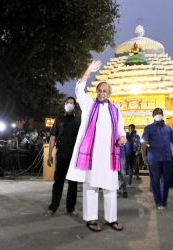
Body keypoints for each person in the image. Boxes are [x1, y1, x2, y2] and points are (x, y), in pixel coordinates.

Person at [66, 60, 126, 232]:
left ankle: (111, 218)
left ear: (109, 93)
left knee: (110, 188)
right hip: (92, 155)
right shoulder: (89, 105)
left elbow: (121, 129)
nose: (101, 93)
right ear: (96, 92)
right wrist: (88, 71)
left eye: (105, 91)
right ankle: (91, 219)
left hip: (109, 155)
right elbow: (79, 89)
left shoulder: (115, 110)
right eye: (99, 90)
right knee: (91, 187)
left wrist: (122, 137)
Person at [141, 108, 173, 210]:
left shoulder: (168, 129)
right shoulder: (148, 128)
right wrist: (144, 156)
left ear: (163, 115)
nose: (158, 114)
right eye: (156, 113)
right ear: (153, 115)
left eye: (160, 113)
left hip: (167, 158)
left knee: (166, 181)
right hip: (154, 158)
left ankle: (163, 200)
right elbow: (144, 142)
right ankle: (158, 202)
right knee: (155, 181)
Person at [45, 97, 80, 216]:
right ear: (64, 105)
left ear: (75, 106)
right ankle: (53, 207)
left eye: (72, 103)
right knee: (58, 182)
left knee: (73, 184)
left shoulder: (78, 120)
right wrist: (49, 154)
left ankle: (71, 208)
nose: (70, 104)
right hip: (61, 155)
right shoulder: (58, 119)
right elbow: (53, 137)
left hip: (74, 157)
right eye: (68, 103)